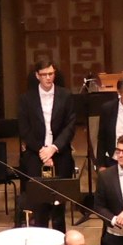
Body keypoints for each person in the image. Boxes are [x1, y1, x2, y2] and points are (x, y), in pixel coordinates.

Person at [16, 56, 77, 231]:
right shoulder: (26, 99)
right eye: (44, 74)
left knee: (59, 208)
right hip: (36, 156)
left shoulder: (65, 96)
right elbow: (24, 129)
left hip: (60, 155)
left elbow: (70, 126)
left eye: (51, 74)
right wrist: (42, 151)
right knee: (39, 207)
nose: (48, 78)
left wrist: (53, 148)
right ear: (37, 76)